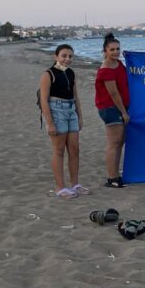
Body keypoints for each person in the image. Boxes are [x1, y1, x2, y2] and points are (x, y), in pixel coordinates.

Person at [40, 44, 86, 198]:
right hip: (56, 110)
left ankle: (75, 184)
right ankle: (60, 187)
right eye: (64, 56)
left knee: (74, 149)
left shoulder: (71, 73)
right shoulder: (49, 74)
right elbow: (44, 100)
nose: (67, 59)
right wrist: (50, 123)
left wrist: (79, 116)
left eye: (70, 56)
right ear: (56, 57)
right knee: (59, 150)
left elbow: (76, 96)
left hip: (71, 110)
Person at [95, 33, 130, 188]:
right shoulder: (106, 69)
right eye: (112, 50)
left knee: (119, 142)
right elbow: (114, 93)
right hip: (110, 108)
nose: (115, 52)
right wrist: (124, 112)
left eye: (118, 49)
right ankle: (111, 178)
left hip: (120, 107)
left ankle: (116, 175)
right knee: (113, 143)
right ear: (105, 51)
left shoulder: (118, 63)